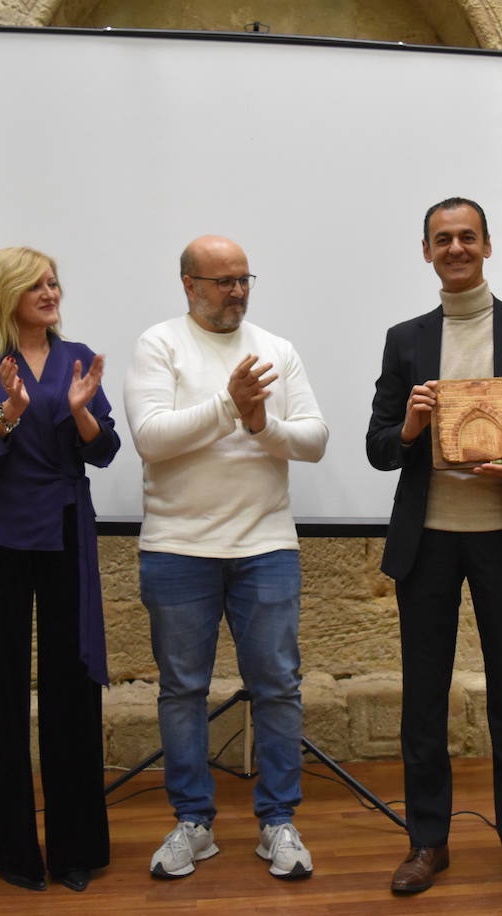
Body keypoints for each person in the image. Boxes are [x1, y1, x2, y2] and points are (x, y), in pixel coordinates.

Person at [366, 197, 502, 900]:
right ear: (426, 252)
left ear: (488, 247)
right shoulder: (405, 340)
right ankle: (428, 841)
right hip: (427, 543)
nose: (455, 248)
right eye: (441, 239)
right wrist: (408, 425)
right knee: (423, 700)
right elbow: (376, 448)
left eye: (467, 237)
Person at [123, 235, 328, 881]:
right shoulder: (160, 344)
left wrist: (262, 424)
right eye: (222, 281)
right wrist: (228, 407)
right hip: (178, 548)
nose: (237, 291)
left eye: (244, 279)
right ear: (190, 285)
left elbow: (315, 440)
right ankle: (193, 823)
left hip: (265, 545)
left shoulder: (277, 350)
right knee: (182, 691)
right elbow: (152, 439)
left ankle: (278, 824)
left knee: (277, 687)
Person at [0, 246, 119, 893]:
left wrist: (79, 410)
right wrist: (8, 413)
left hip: (64, 531)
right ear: (7, 295)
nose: (51, 292)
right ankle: (16, 852)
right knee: (1, 693)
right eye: (37, 285)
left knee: (72, 692)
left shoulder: (78, 359)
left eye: (54, 283)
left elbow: (103, 449)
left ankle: (76, 851)